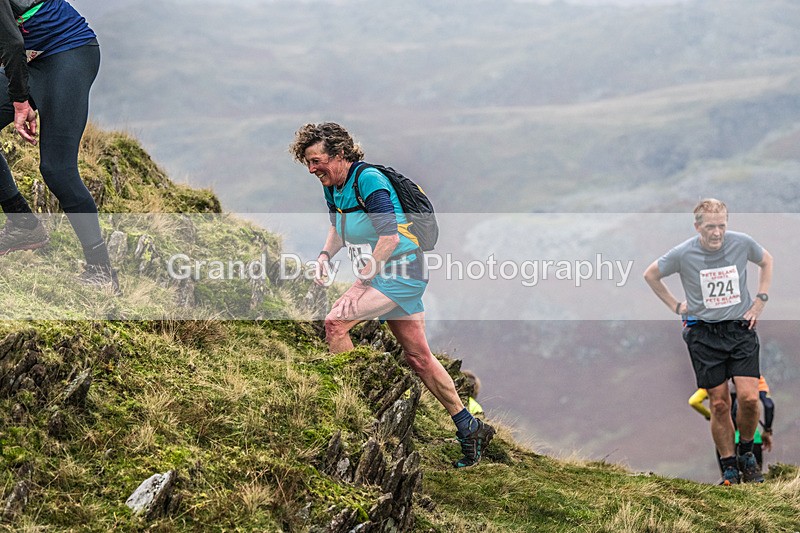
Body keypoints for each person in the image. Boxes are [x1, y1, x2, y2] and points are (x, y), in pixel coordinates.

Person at [290, 122, 495, 468]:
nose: (312, 169)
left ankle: (351, 411)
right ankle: (468, 426)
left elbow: (390, 237)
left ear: (339, 154)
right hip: (384, 274)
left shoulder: (368, 181)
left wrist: (361, 284)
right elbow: (339, 229)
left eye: (316, 160)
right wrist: (325, 256)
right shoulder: (334, 186)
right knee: (419, 358)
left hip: (401, 272)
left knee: (336, 323)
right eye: (307, 163)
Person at [644, 198, 773, 485]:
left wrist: (760, 300)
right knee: (718, 404)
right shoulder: (683, 253)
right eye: (711, 227)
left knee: (750, 399)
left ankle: (746, 454)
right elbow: (651, 274)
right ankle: (729, 467)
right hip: (703, 335)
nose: (717, 233)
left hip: (740, 330)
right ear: (698, 226)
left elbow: (766, 260)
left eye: (722, 226)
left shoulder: (742, 243)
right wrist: (676, 306)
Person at [0, 0, 117, 290]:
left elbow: (12, 42)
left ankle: (101, 271)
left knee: (57, 169)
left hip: (67, 51)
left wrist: (20, 100)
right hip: (29, 54)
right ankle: (22, 224)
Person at [688, 376, 775, 476]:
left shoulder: (718, 378)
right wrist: (767, 430)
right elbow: (769, 405)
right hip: (751, 439)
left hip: (725, 439)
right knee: (753, 479)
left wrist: (711, 416)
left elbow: (694, 401)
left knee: (730, 481)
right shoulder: (753, 377)